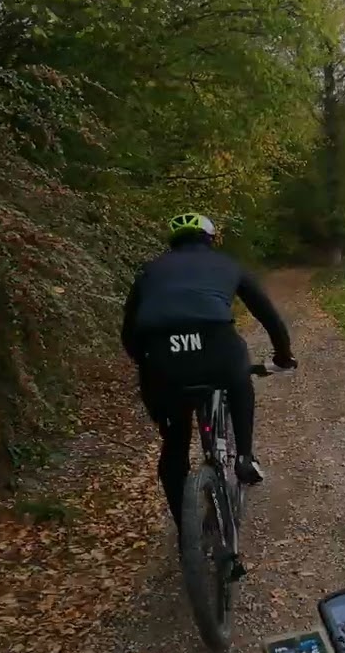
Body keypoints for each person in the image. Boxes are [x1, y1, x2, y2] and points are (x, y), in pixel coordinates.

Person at [121, 212, 297, 532]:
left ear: (172, 244)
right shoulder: (228, 265)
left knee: (174, 446)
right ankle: (244, 457)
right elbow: (268, 315)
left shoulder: (150, 270)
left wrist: (149, 365)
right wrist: (283, 356)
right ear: (211, 240)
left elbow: (129, 332)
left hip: (162, 357)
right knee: (238, 372)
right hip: (217, 349)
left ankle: (187, 533)